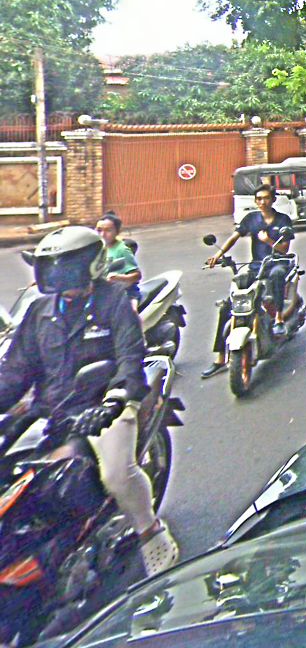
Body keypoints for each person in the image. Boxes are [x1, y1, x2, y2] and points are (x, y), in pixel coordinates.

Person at [0, 227, 179, 576]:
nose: (56, 274)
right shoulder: (38, 311)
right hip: (52, 413)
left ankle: (150, 531)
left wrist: (114, 402)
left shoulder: (113, 301)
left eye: (65, 266)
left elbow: (130, 357)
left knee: (116, 474)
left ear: (92, 264)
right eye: (51, 267)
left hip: (104, 408)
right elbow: (15, 371)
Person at [202, 186, 294, 377]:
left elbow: (285, 249)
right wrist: (218, 255)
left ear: (273, 199)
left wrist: (268, 241)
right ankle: (220, 358)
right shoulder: (251, 219)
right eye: (259, 198)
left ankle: (278, 319)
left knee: (277, 275)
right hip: (256, 265)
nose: (262, 202)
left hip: (277, 262)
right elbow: (234, 237)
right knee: (227, 306)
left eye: (266, 198)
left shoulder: (283, 220)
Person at [96, 211, 142, 304]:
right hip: (104, 293)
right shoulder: (96, 248)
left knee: (130, 312)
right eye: (99, 230)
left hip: (126, 293)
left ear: (117, 232)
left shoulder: (122, 249)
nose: (102, 234)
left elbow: (137, 275)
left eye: (108, 230)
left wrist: (119, 278)